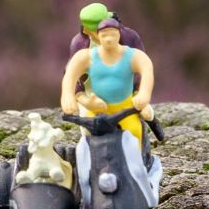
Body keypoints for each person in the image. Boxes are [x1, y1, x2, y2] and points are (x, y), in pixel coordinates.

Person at [60, 16, 154, 146]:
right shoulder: (87, 56)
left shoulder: (132, 55)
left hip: (125, 107)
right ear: (98, 36)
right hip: (97, 109)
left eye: (112, 35)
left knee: (133, 132)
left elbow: (147, 70)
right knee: (89, 135)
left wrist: (143, 94)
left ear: (119, 35)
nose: (108, 39)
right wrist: (68, 96)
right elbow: (70, 75)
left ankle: (138, 158)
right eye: (104, 35)